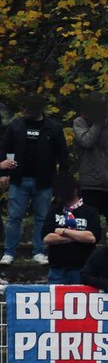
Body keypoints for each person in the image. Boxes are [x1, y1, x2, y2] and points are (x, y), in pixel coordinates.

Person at [1, 95, 70, 265]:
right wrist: (3, 172)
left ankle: (39, 251)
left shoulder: (53, 128)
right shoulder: (15, 126)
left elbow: (63, 155)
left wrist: (62, 180)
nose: (26, 112)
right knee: (14, 217)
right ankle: (9, 252)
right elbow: (4, 149)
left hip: (45, 182)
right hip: (18, 179)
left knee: (42, 218)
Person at [73, 93, 108, 226]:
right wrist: (98, 123)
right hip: (91, 185)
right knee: (90, 225)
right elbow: (87, 142)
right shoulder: (80, 122)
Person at [41, 175, 102, 284]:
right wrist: (78, 237)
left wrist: (64, 232)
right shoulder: (54, 211)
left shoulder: (90, 212)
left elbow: (92, 237)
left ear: (75, 191)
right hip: (57, 268)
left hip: (82, 268)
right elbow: (47, 238)